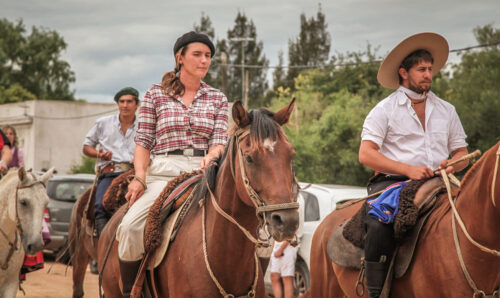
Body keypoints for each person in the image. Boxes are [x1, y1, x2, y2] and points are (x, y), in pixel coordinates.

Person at [116, 31, 228, 297]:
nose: (204, 61)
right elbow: (143, 142)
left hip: (205, 172)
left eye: (208, 56)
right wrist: (140, 177)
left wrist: (212, 156)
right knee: (131, 228)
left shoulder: (218, 98)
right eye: (197, 55)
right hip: (164, 171)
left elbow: (220, 140)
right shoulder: (155, 95)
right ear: (180, 57)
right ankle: (130, 291)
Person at [358, 32, 469, 298]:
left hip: (440, 182)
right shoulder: (383, 110)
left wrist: (451, 165)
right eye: (421, 69)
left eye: (430, 69)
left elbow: (462, 151)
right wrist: (407, 169)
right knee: (378, 225)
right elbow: (366, 154)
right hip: (393, 183)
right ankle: (375, 292)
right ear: (403, 73)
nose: (428, 74)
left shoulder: (447, 110)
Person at [83, 87, 140, 237]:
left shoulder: (145, 126)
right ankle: (101, 244)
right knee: (101, 205)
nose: (125, 105)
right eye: (121, 101)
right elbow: (86, 147)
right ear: (118, 104)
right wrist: (99, 154)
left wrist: (141, 158)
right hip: (110, 174)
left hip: (136, 174)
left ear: (137, 104)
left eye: (129, 101)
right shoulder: (103, 123)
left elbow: (152, 150)